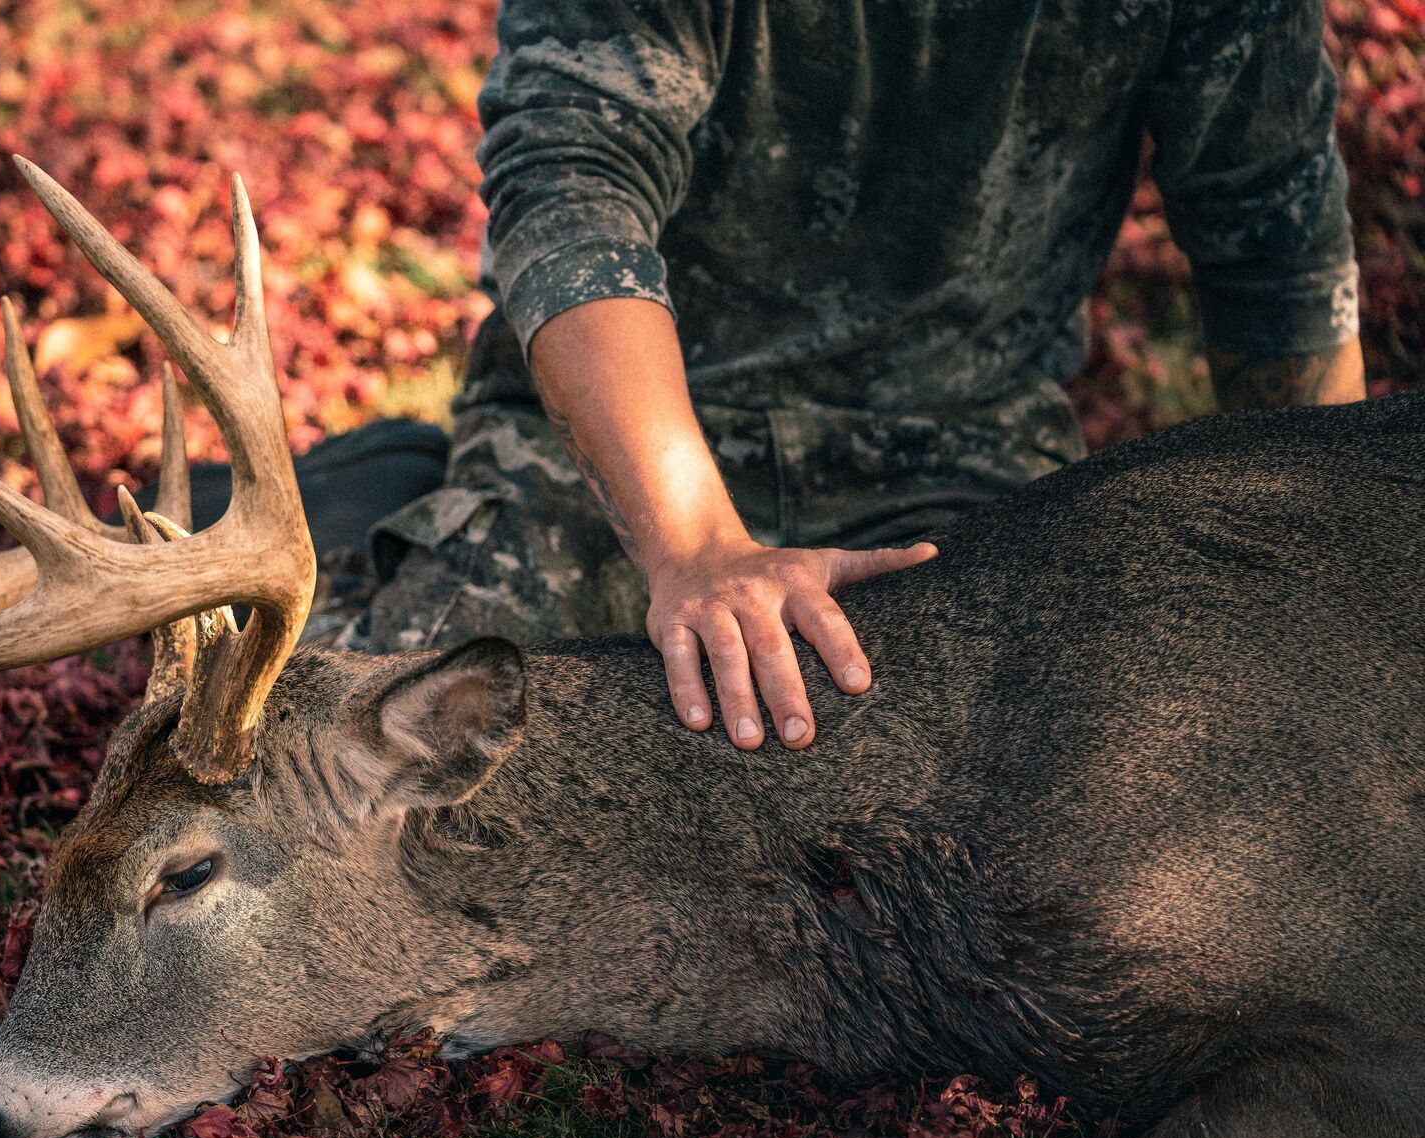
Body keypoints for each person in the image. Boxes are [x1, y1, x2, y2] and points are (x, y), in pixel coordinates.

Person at [347, 0, 1366, 750]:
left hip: (963, 450)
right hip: (625, 441)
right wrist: (697, 545)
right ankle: (376, 491)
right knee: (398, 754)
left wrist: (1320, 587)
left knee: (1044, 792)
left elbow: (1272, 243)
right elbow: (572, 190)